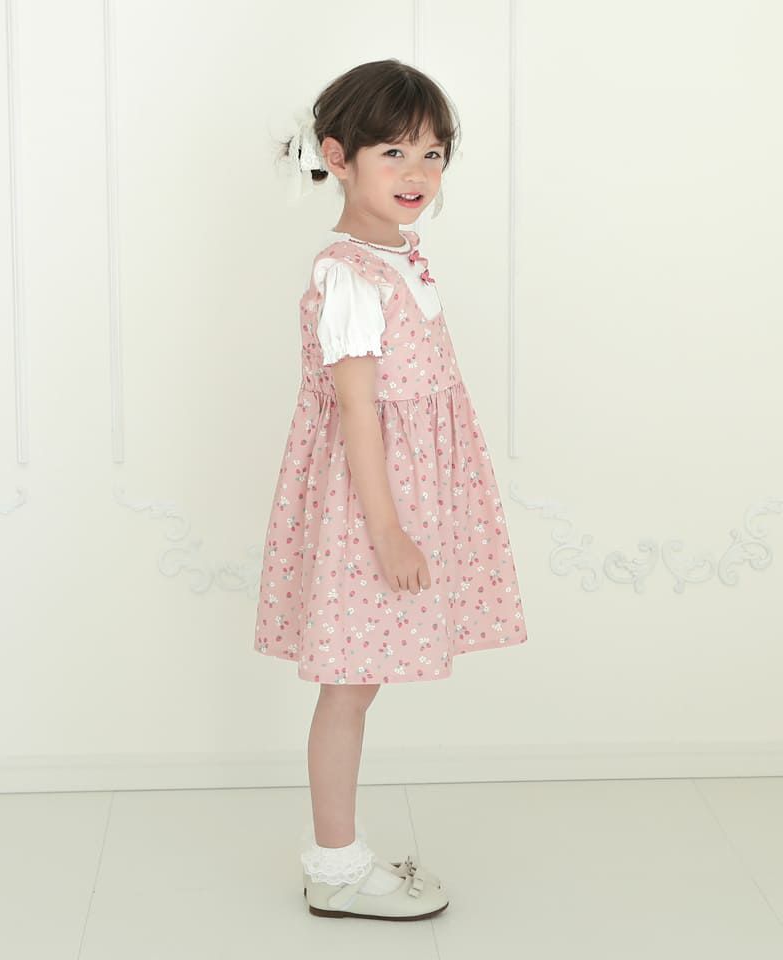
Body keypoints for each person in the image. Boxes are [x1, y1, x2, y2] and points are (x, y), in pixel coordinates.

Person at [254, 59, 528, 920]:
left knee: (359, 682)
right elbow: (358, 413)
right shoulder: (349, 275)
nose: (417, 173)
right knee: (348, 685)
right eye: (394, 153)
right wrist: (389, 531)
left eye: (433, 154)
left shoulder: (398, 257)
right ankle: (335, 866)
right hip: (367, 507)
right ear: (338, 157)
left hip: (399, 498)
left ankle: (341, 856)